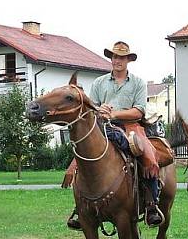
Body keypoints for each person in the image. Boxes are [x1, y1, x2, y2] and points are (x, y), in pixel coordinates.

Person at [66, 41, 165, 229]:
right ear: (111, 58)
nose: (117, 60)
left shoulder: (138, 83)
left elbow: (139, 111)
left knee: (147, 156)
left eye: (121, 57)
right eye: (114, 56)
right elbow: (91, 108)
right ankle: (81, 207)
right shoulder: (99, 82)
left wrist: (115, 114)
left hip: (131, 126)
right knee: (84, 155)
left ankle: (152, 205)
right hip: (102, 125)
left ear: (128, 60)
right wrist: (99, 110)